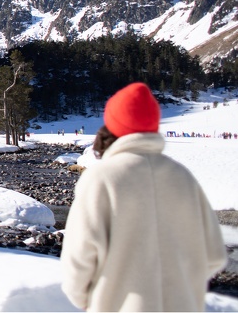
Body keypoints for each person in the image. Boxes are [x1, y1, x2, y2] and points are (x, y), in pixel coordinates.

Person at [60, 82, 227, 312]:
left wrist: (94, 301)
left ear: (113, 125)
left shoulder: (101, 178)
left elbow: (77, 262)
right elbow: (214, 255)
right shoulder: (182, 177)